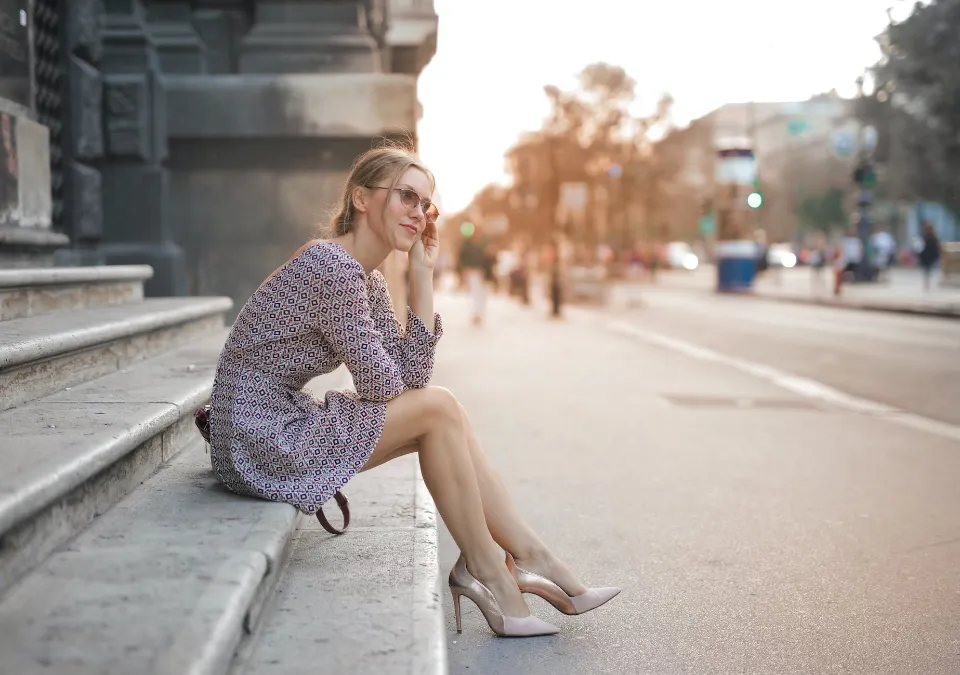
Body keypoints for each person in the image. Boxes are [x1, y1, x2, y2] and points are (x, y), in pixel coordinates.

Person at [204, 145, 618, 639]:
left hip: (269, 425)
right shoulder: (331, 267)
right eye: (406, 197)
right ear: (361, 198)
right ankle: (500, 568)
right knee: (440, 409)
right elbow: (383, 386)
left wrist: (422, 274)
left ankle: (520, 561)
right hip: (255, 436)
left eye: (426, 204)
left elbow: (411, 380)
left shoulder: (367, 280)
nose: (419, 214)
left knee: (445, 411)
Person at [919, 222, 941, 291]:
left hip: (929, 255)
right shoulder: (928, 237)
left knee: (928, 270)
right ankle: (928, 283)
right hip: (928, 255)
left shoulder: (930, 237)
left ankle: (928, 283)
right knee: (928, 270)